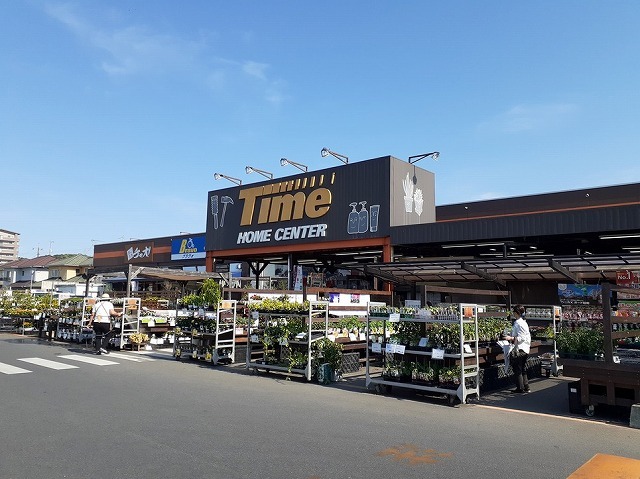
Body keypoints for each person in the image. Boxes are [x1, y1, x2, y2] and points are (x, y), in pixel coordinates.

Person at [504, 304, 531, 393]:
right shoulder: (523, 322)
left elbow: (521, 337)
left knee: (517, 368)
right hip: (525, 348)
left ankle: (520, 387)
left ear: (516, 313)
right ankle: (526, 386)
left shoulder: (519, 323)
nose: (513, 313)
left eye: (513, 312)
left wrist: (511, 338)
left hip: (520, 348)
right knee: (522, 368)